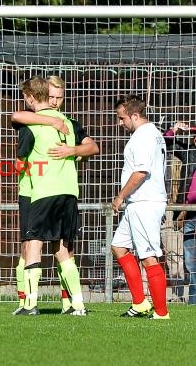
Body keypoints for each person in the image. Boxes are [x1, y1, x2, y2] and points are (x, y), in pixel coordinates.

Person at [11, 75, 99, 315]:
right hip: (69, 190)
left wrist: (73, 151)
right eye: (52, 97)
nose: (56, 102)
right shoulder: (67, 124)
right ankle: (77, 305)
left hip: (41, 190)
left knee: (32, 245)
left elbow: (20, 162)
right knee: (62, 248)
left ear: (30, 97)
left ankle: (29, 304)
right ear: (45, 95)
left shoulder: (34, 125)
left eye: (60, 98)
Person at [111, 94, 169, 319]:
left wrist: (120, 197)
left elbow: (141, 171)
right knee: (119, 247)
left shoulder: (144, 136)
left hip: (145, 202)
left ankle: (162, 313)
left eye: (122, 118)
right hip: (138, 203)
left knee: (148, 257)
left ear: (135, 116)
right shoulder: (152, 133)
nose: (120, 123)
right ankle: (140, 303)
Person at [164, 122, 196, 304]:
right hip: (190, 214)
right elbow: (166, 142)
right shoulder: (191, 152)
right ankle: (193, 304)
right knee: (191, 264)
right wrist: (174, 129)